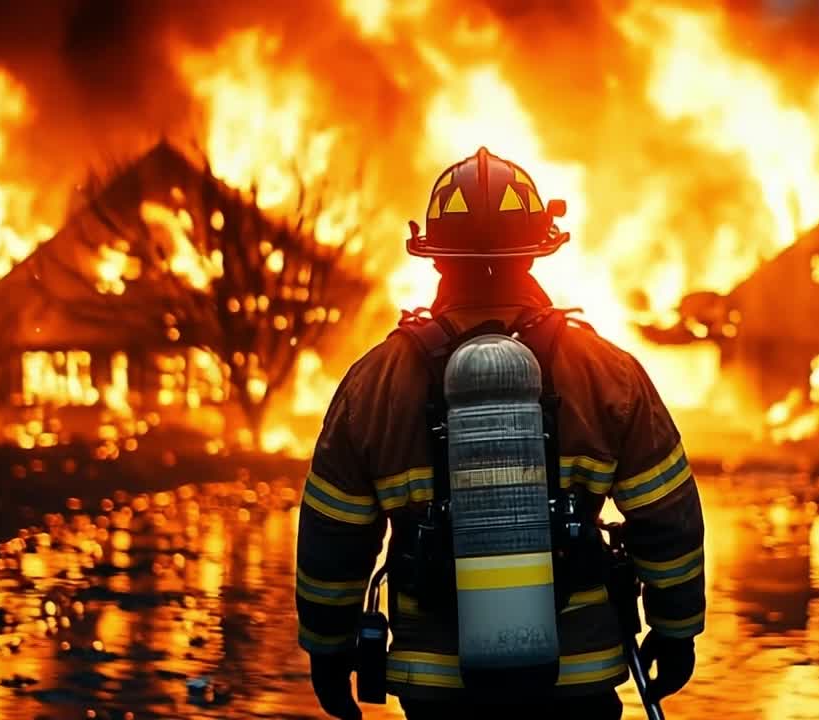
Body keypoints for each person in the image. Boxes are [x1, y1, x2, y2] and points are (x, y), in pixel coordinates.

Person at [295, 147, 705, 720]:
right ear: (539, 250)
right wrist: (676, 628)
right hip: (577, 673)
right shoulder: (607, 374)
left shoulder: (376, 382)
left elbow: (333, 534)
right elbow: (668, 516)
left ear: (434, 257)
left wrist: (328, 648)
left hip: (436, 683)